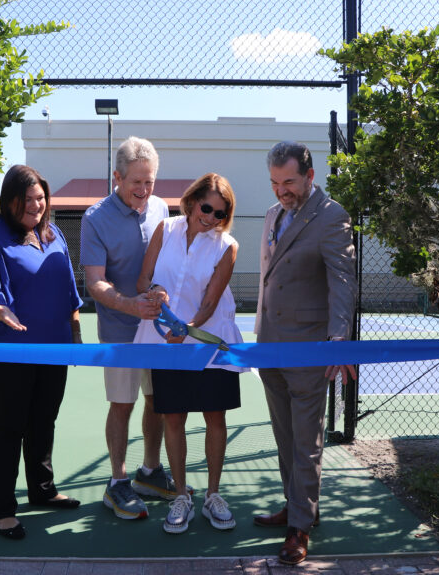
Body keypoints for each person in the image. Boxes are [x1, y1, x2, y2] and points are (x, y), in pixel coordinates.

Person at [253, 141, 357, 564]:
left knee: (306, 442)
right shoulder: (272, 215)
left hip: (310, 349)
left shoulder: (332, 216)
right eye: (276, 183)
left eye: (290, 182)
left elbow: (342, 283)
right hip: (270, 347)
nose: (282, 191)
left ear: (310, 176)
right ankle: (296, 506)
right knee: (284, 437)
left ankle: (300, 527)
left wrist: (338, 340)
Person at [0, 165, 83, 541]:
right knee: (9, 427)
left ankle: (42, 489)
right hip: (9, 349)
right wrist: (3, 311)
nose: (36, 205)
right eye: (27, 199)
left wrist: (75, 332)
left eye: (40, 198)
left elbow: (69, 290)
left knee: (44, 420)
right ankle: (3, 509)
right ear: (11, 201)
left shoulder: (54, 234)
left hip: (54, 346)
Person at [81, 136, 188, 521]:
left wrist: (161, 293)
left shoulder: (161, 207)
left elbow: (168, 263)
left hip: (158, 333)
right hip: (120, 332)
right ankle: (118, 481)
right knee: (122, 405)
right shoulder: (95, 219)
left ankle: (149, 471)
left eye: (150, 182)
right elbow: (94, 282)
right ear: (117, 178)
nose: (143, 192)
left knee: (158, 402)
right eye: (135, 183)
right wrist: (129, 305)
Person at [133, 173, 246, 534]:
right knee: (174, 418)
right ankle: (181, 495)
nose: (211, 217)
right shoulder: (164, 229)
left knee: (215, 418)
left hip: (209, 343)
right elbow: (142, 280)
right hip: (167, 345)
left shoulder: (227, 245)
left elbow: (211, 300)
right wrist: (156, 293)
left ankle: (213, 495)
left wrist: (187, 327)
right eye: (207, 208)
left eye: (220, 213)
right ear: (192, 200)